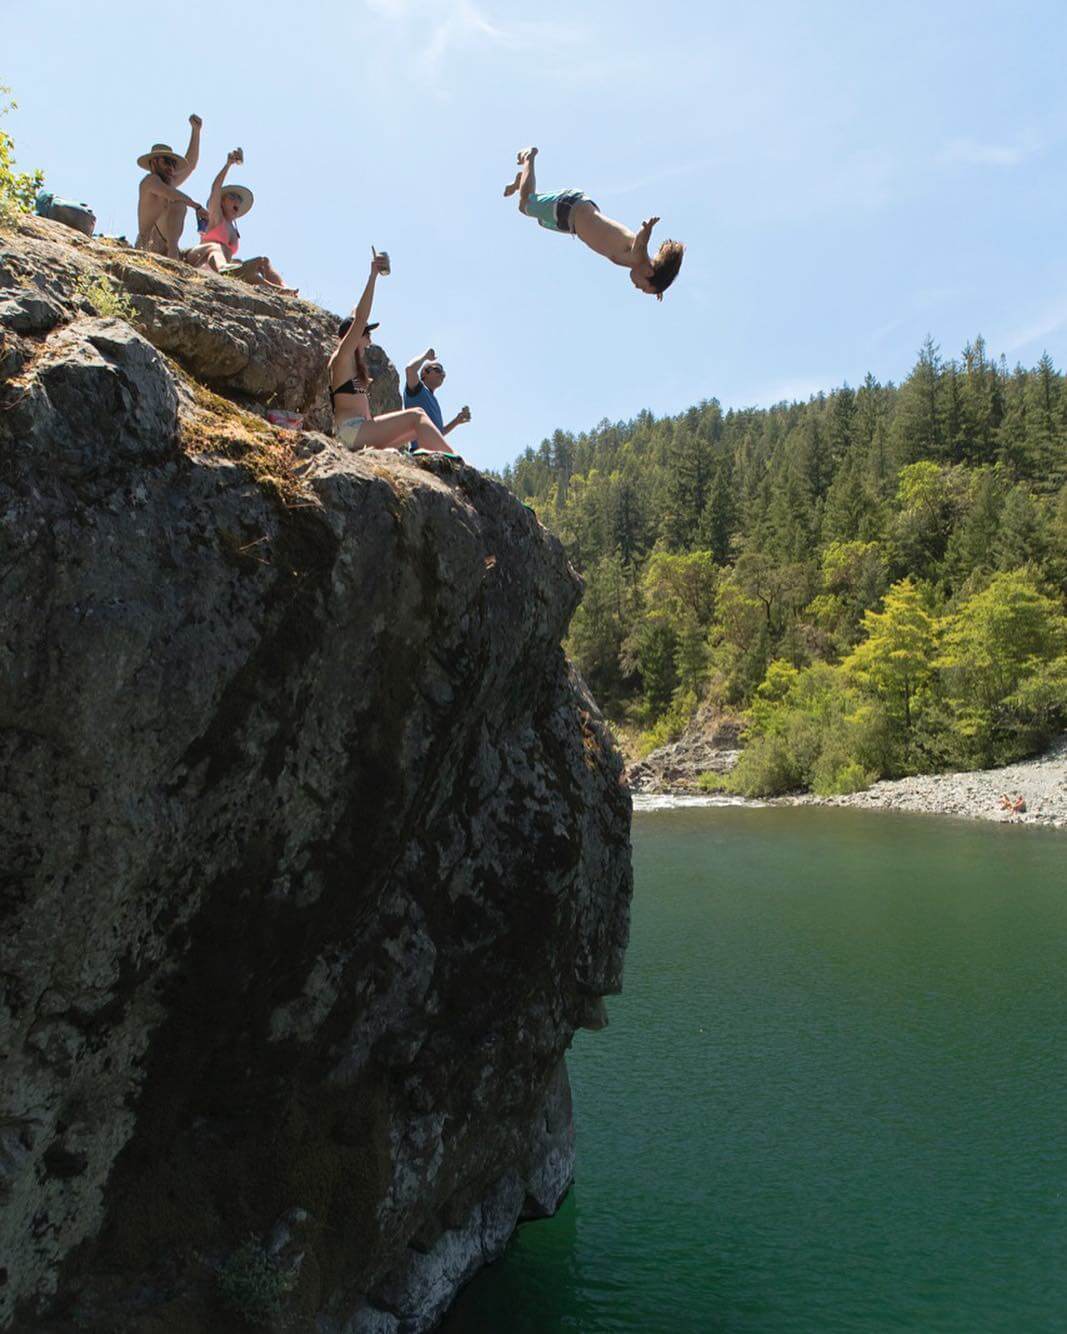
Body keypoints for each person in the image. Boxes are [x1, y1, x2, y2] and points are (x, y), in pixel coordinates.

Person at [504, 146, 684, 299]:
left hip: (570, 224)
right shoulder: (638, 257)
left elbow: (653, 273)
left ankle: (522, 181)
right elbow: (642, 241)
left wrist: (658, 287)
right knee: (526, 204)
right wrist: (647, 227)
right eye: (642, 287)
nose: (637, 287)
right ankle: (529, 157)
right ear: (648, 272)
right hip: (572, 208)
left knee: (540, 220)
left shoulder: (635, 264)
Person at [329, 255, 458, 456]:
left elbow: (356, 314)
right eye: (367, 335)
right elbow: (360, 318)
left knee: (415, 428)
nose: (370, 341)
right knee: (417, 415)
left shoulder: (352, 363)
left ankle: (438, 460)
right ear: (353, 336)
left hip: (361, 431)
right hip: (351, 432)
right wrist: (373, 275)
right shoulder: (342, 357)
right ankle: (455, 462)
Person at [184, 149, 296, 294]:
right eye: (232, 197)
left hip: (225, 267)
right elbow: (215, 188)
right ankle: (224, 268)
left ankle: (284, 289)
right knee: (216, 246)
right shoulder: (217, 218)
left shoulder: (233, 228)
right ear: (222, 202)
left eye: (239, 199)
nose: (237, 200)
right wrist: (228, 165)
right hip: (201, 260)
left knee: (263, 261)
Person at [135, 115, 205, 257]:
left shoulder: (169, 182)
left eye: (173, 164)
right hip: (148, 245)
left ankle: (174, 254)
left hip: (165, 245)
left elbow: (190, 165)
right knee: (178, 203)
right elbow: (171, 194)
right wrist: (197, 206)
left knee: (206, 250)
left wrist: (196, 131)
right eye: (167, 161)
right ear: (154, 163)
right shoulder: (150, 181)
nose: (171, 168)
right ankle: (173, 256)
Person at [403, 349, 471, 444]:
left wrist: (456, 421)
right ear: (424, 373)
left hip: (433, 453)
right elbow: (410, 369)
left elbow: (438, 433)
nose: (442, 375)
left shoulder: (433, 399)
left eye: (444, 373)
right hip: (420, 453)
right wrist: (425, 357)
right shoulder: (418, 389)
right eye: (438, 370)